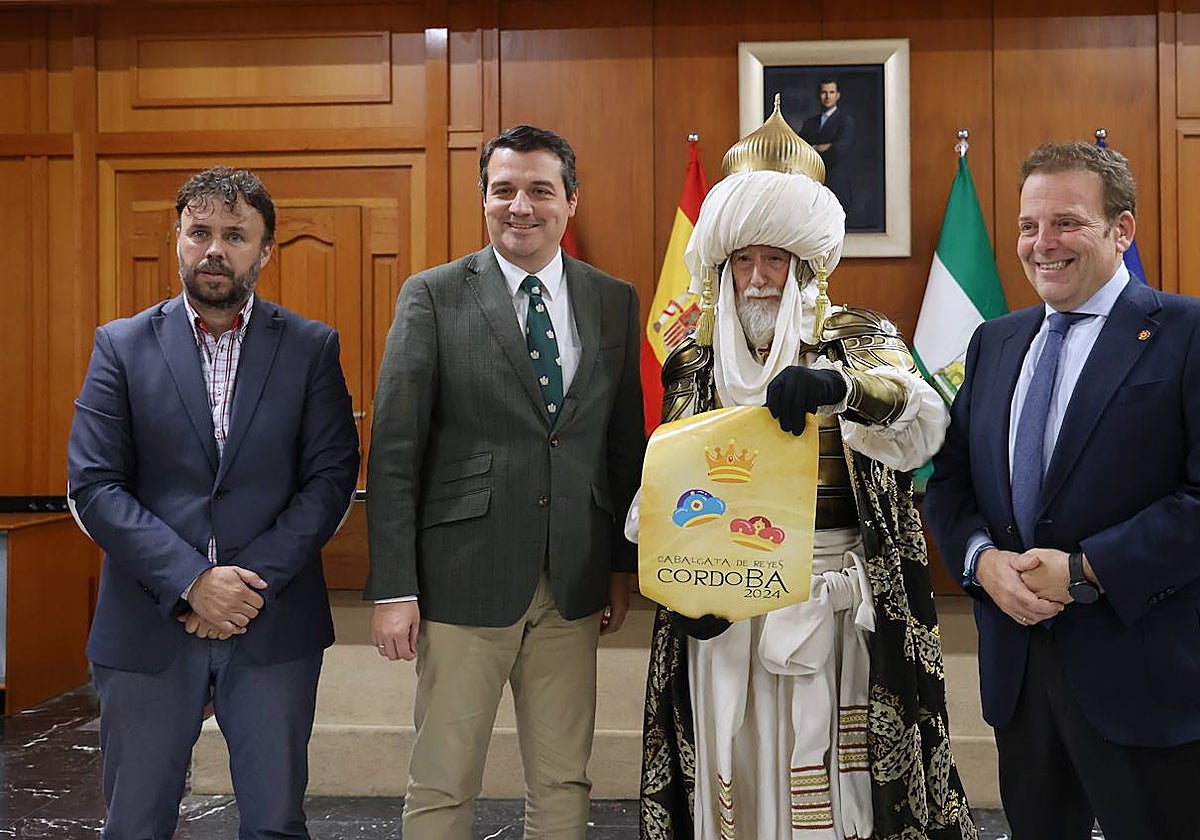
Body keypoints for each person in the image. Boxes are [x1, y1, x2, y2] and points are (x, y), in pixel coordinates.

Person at [634, 103, 975, 840]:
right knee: (737, 767)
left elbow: (918, 420)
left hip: (828, 597)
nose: (759, 279)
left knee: (833, 779)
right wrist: (676, 584)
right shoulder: (693, 358)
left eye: (776, 260)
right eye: (745, 260)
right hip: (721, 599)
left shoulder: (858, 335)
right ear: (723, 266)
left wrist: (840, 389)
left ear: (803, 266)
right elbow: (663, 484)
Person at [365, 124, 645, 839]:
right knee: (443, 778)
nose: (520, 205)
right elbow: (395, 453)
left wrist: (620, 566)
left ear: (570, 202)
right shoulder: (431, 296)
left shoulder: (612, 300)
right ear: (485, 199)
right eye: (504, 190)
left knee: (563, 778)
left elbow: (621, 446)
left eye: (539, 190)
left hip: (574, 578)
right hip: (463, 579)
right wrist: (396, 587)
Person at [67, 167, 360, 839]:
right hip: (145, 623)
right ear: (177, 239)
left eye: (235, 235)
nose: (214, 250)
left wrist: (243, 586)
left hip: (272, 621)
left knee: (275, 824)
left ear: (265, 250)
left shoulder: (311, 348)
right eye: (199, 232)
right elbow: (95, 484)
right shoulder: (121, 345)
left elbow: (330, 479)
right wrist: (193, 582)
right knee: (136, 824)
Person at [924, 141, 1200, 840]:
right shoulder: (994, 342)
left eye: (1067, 223)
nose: (1042, 244)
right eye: (1028, 225)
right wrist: (981, 561)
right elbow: (949, 483)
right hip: (1021, 679)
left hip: (1144, 678)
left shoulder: (1185, 334)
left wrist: (1085, 569)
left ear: (1121, 230)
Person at [799, 78, 856, 212]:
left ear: (837, 95)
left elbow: (840, 149)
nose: (827, 96)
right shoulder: (810, 123)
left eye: (831, 92)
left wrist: (814, 148)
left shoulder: (845, 121)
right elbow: (800, 148)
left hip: (836, 180)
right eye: (824, 92)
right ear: (819, 95)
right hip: (813, 181)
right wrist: (824, 146)